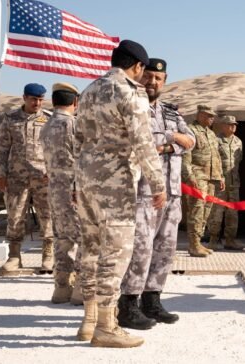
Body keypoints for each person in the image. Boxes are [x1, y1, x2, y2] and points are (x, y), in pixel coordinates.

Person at [74, 40, 167, 348]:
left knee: (90, 249)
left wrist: (77, 180)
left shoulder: (89, 91)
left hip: (85, 180)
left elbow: (77, 138)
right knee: (115, 254)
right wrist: (158, 184)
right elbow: (143, 142)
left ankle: (89, 321)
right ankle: (106, 327)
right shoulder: (130, 92)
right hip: (114, 183)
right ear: (138, 66)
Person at [119, 58, 195, 330]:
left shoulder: (171, 113)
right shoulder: (132, 106)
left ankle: (152, 300)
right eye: (148, 76)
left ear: (164, 81)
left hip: (172, 192)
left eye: (158, 78)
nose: (152, 82)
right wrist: (172, 139)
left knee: (165, 248)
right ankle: (128, 303)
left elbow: (192, 140)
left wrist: (166, 143)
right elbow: (138, 142)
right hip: (144, 192)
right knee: (141, 248)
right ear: (140, 75)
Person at [0, 83, 54, 273]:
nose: (37, 103)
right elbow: (2, 148)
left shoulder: (49, 119)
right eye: (33, 99)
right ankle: (14, 255)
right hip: (16, 177)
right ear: (25, 98)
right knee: (15, 215)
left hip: (43, 177)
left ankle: (48, 255)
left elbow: (55, 149)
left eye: (40, 99)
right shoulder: (10, 118)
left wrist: (53, 172)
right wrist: (1, 174)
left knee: (47, 215)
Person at [39, 82, 83, 305]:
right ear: (75, 101)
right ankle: (81, 290)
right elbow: (82, 159)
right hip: (74, 190)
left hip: (55, 190)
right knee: (84, 239)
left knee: (62, 240)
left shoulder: (46, 125)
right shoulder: (73, 125)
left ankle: (61, 287)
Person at [182, 104, 224, 257]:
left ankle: (198, 242)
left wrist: (220, 176)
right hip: (197, 176)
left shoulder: (211, 134)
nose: (212, 119)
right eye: (209, 116)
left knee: (206, 211)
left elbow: (217, 156)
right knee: (197, 210)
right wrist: (189, 177)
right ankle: (193, 245)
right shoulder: (190, 130)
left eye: (213, 116)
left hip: (211, 178)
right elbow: (185, 156)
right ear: (200, 115)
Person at [208, 115, 244, 251]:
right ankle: (213, 240)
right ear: (223, 126)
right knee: (216, 212)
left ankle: (230, 240)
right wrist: (218, 177)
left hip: (234, 183)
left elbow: (239, 160)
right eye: (230, 124)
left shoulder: (238, 142)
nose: (233, 127)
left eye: (234, 124)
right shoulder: (216, 140)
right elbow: (213, 161)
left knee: (233, 213)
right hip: (219, 183)